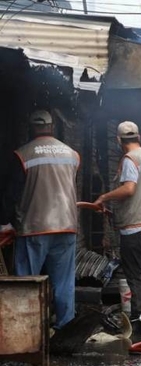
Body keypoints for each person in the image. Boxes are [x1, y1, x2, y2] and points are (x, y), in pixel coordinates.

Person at [3, 110, 80, 330]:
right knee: (64, 282)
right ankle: (66, 328)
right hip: (66, 225)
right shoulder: (72, 154)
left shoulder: (22, 154)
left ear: (31, 127)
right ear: (52, 126)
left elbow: (12, 193)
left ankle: (26, 330)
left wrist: (5, 222)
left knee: (26, 282)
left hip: (34, 228)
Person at [93, 121, 141, 335]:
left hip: (135, 227)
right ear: (139, 137)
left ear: (118, 140)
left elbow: (130, 189)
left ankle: (140, 318)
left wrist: (104, 197)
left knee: (135, 274)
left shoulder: (129, 159)